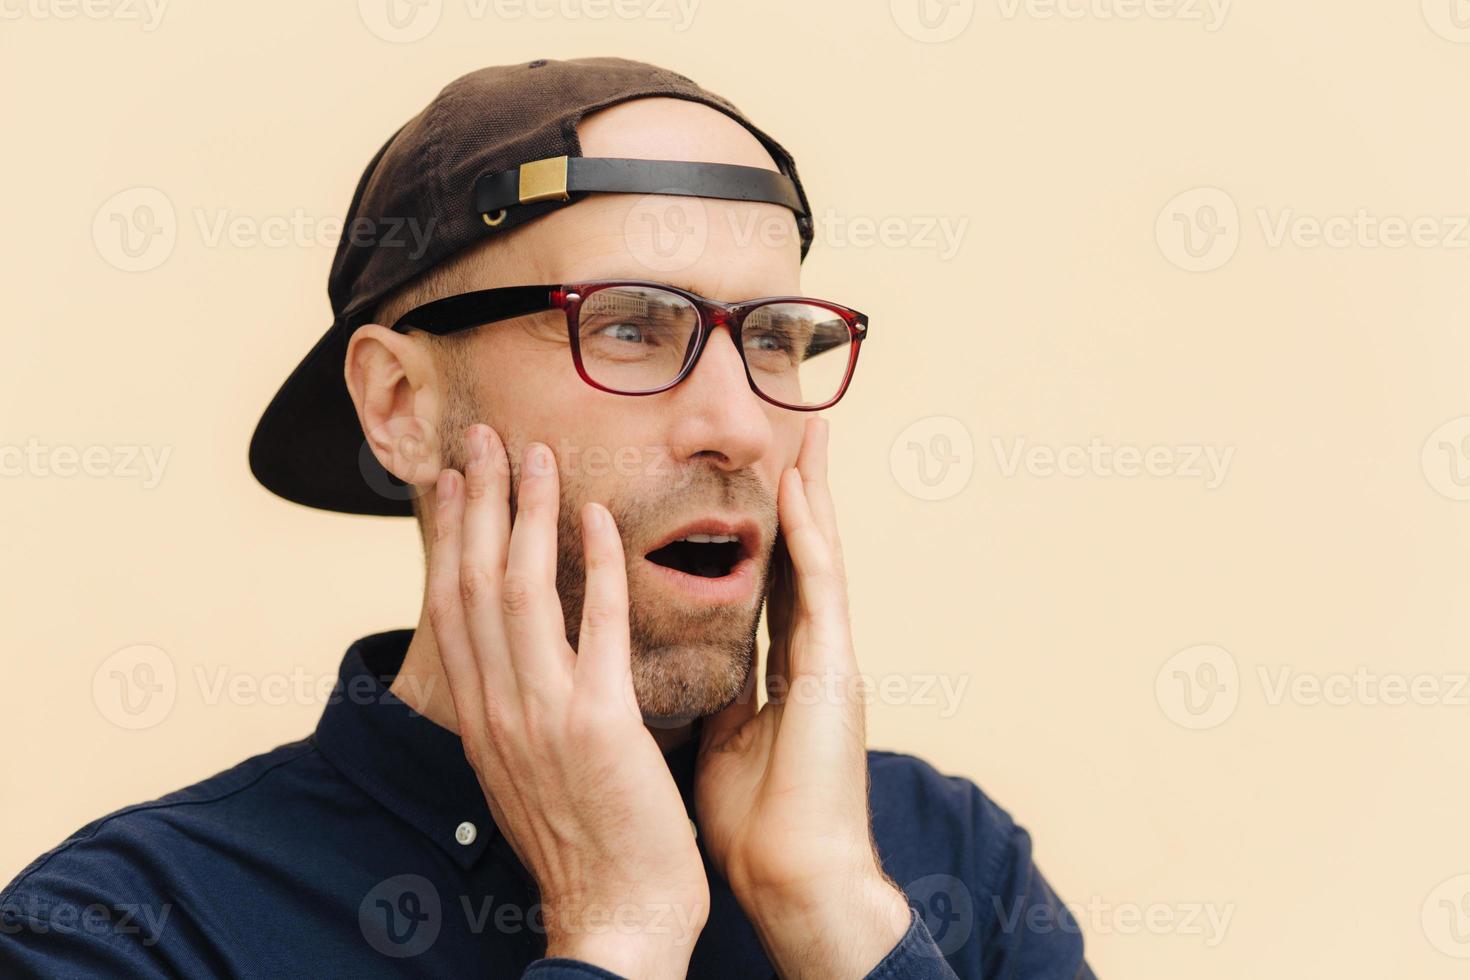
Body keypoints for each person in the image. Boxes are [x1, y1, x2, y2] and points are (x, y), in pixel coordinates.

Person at [0, 57, 1094, 978]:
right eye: (629, 326)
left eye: (771, 337)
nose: (741, 426)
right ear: (399, 405)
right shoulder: (134, 929)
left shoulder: (942, 862)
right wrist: (616, 928)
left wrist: (835, 917)